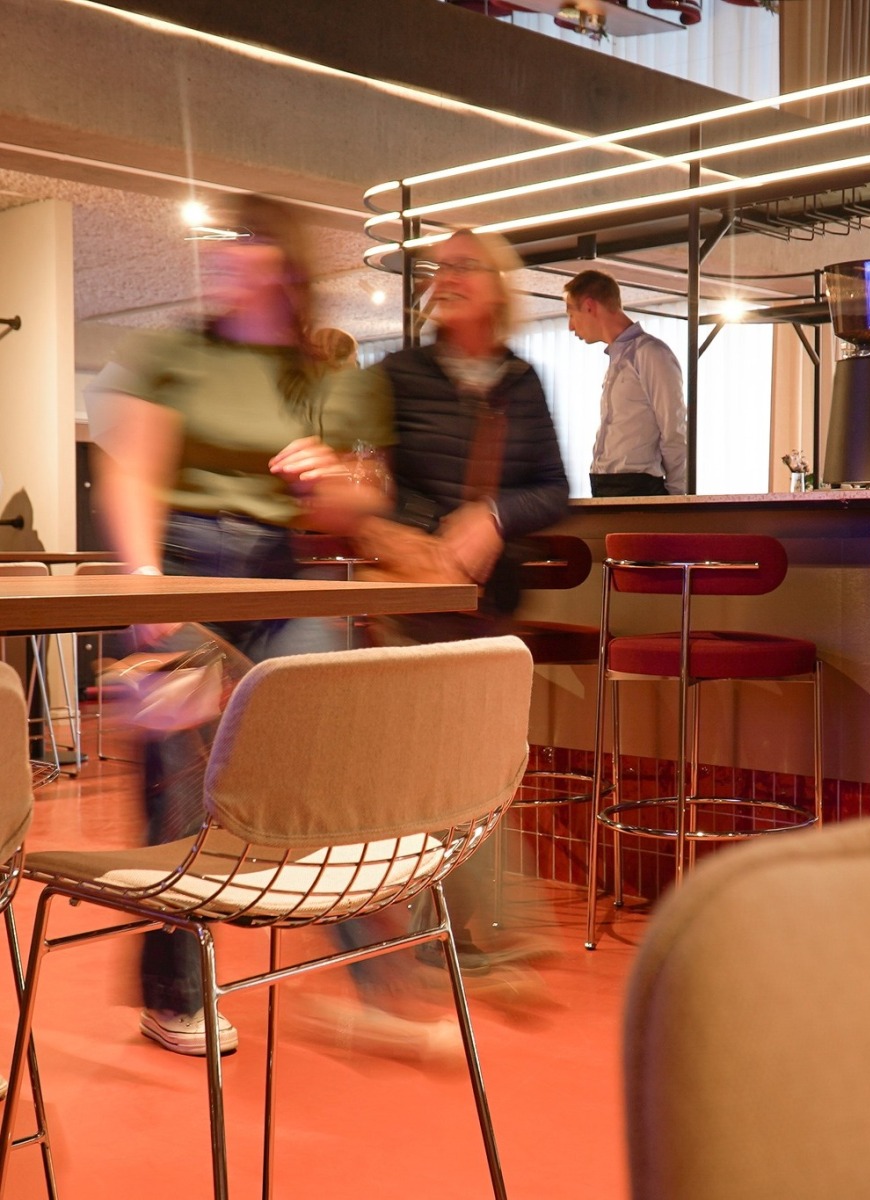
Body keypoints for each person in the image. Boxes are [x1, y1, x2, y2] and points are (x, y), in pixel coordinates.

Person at [86, 193, 391, 1058]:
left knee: (322, 763)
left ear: (284, 264)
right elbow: (132, 470)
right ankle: (176, 995)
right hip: (181, 565)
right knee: (180, 785)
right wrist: (145, 583)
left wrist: (328, 477)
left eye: (243, 239)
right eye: (220, 240)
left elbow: (364, 499)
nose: (223, 253)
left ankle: (380, 984)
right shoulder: (174, 352)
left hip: (282, 573)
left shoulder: (329, 374)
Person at [289, 227, 569, 1030]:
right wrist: (397, 532)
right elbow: (358, 477)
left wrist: (493, 516)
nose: (444, 278)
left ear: (496, 286)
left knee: (464, 763)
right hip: (410, 595)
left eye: (462, 266)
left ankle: (462, 935)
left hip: (485, 601)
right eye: (438, 268)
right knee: (437, 761)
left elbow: (553, 490)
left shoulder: (522, 382)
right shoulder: (397, 375)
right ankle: (494, 931)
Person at [563, 269, 688, 497]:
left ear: (589, 306)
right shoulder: (618, 359)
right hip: (605, 484)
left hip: (638, 487)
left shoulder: (651, 353)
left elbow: (674, 430)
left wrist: (677, 499)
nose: (571, 326)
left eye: (571, 314)